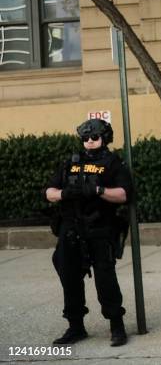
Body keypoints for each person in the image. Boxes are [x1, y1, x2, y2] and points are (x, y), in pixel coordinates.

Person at [45, 118, 132, 347]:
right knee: (69, 277)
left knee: (105, 279)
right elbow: (49, 192)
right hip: (71, 229)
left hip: (100, 229)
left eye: (94, 137)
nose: (90, 142)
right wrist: (64, 194)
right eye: (86, 138)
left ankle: (116, 326)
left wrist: (98, 190)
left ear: (105, 138)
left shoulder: (113, 163)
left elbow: (124, 194)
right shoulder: (69, 163)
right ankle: (75, 327)